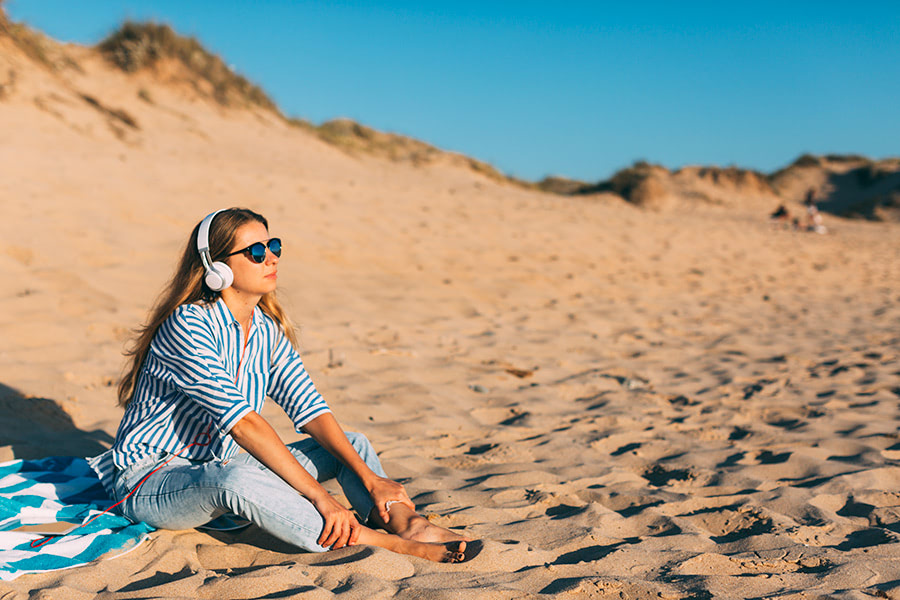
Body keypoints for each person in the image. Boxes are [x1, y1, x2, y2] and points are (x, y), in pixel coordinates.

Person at [109, 207, 479, 563]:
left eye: (274, 247)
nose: (271, 258)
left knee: (350, 445)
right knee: (234, 478)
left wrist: (370, 478)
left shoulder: (266, 330)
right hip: (152, 479)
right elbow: (244, 425)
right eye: (256, 252)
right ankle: (381, 542)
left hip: (219, 463)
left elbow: (310, 408)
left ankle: (408, 526)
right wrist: (321, 497)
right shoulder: (187, 325)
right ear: (217, 268)